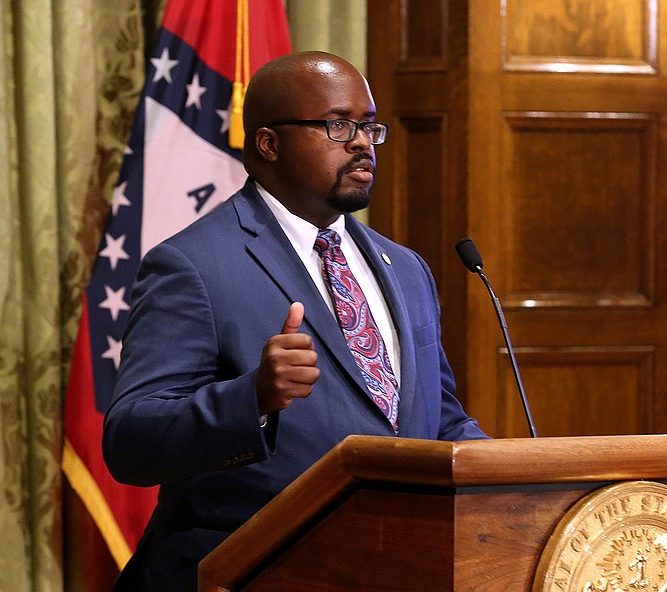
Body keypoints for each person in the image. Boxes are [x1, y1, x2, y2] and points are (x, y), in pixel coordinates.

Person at [102, 50, 488, 591]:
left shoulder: (404, 268)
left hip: (391, 567)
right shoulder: (192, 265)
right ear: (269, 143)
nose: (361, 142)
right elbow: (131, 442)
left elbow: (436, 421)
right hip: (247, 573)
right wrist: (252, 398)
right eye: (338, 125)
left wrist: (509, 478)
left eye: (369, 127)